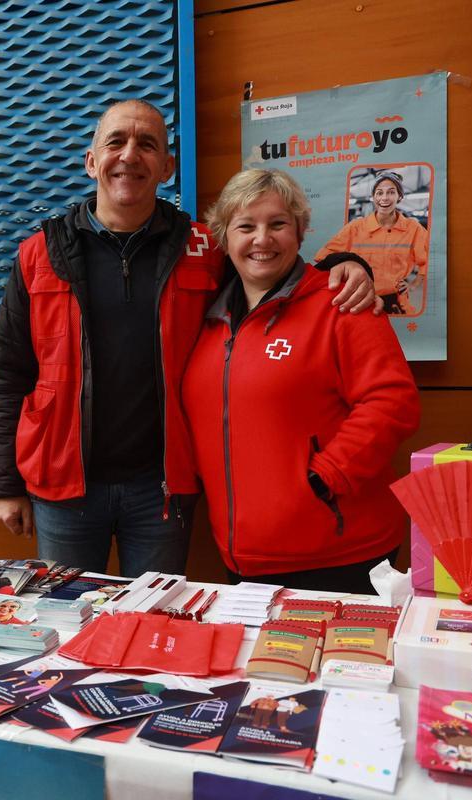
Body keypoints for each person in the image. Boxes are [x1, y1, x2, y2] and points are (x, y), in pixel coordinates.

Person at [0, 99, 380, 578]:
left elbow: (274, 275)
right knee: (64, 621)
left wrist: (346, 266)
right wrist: (6, 484)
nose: (130, 155)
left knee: (154, 624)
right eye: (116, 141)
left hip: (163, 489)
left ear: (167, 167)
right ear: (91, 161)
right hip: (64, 487)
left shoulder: (202, 249)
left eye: (147, 144)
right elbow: (11, 373)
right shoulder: (38, 253)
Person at [181, 169, 420, 594]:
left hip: (337, 552)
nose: (262, 239)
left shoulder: (341, 302)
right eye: (246, 226)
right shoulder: (206, 318)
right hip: (243, 556)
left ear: (300, 230)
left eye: (277, 224)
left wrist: (325, 478)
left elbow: (392, 402)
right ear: (223, 237)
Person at [315, 170, 429, 315]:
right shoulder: (355, 228)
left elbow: (427, 259)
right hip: (360, 299)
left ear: (399, 196)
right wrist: (347, 267)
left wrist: (413, 285)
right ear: (373, 197)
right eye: (379, 193)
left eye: (391, 192)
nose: (384, 198)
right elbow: (324, 257)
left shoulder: (413, 229)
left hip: (395, 300)